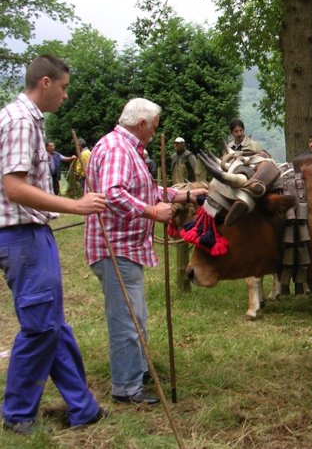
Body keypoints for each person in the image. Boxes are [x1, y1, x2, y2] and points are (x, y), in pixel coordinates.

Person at [0, 55, 109, 434]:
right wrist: (75, 205)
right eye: (63, 88)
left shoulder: (26, 119)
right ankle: (17, 415)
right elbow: (13, 188)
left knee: (53, 323)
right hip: (21, 235)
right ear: (45, 83)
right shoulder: (20, 121)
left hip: (32, 234)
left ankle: (82, 408)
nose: (65, 96)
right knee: (41, 326)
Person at [84, 98, 207, 406]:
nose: (155, 132)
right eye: (154, 126)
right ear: (141, 124)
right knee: (127, 319)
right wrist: (152, 212)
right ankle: (126, 388)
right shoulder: (116, 149)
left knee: (135, 315)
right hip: (115, 248)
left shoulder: (128, 149)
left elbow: (145, 190)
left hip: (125, 247)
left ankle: (139, 371)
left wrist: (185, 194)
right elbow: (114, 194)